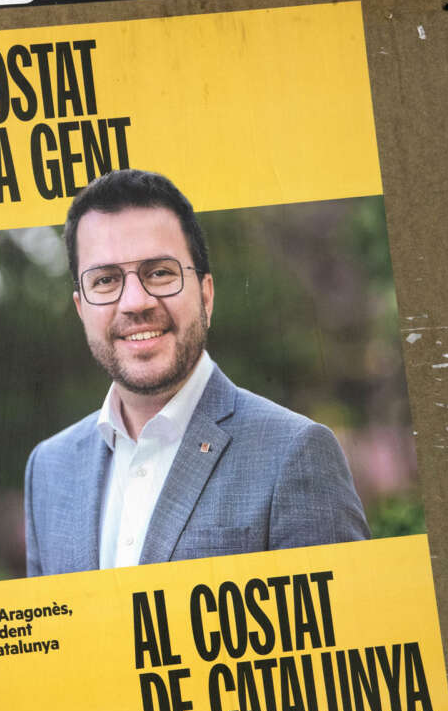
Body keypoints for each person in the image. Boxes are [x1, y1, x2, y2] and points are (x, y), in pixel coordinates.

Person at [24, 169, 370, 577]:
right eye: (105, 280)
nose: (135, 302)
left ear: (205, 294)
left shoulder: (295, 453)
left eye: (159, 273)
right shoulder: (48, 468)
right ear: (82, 309)